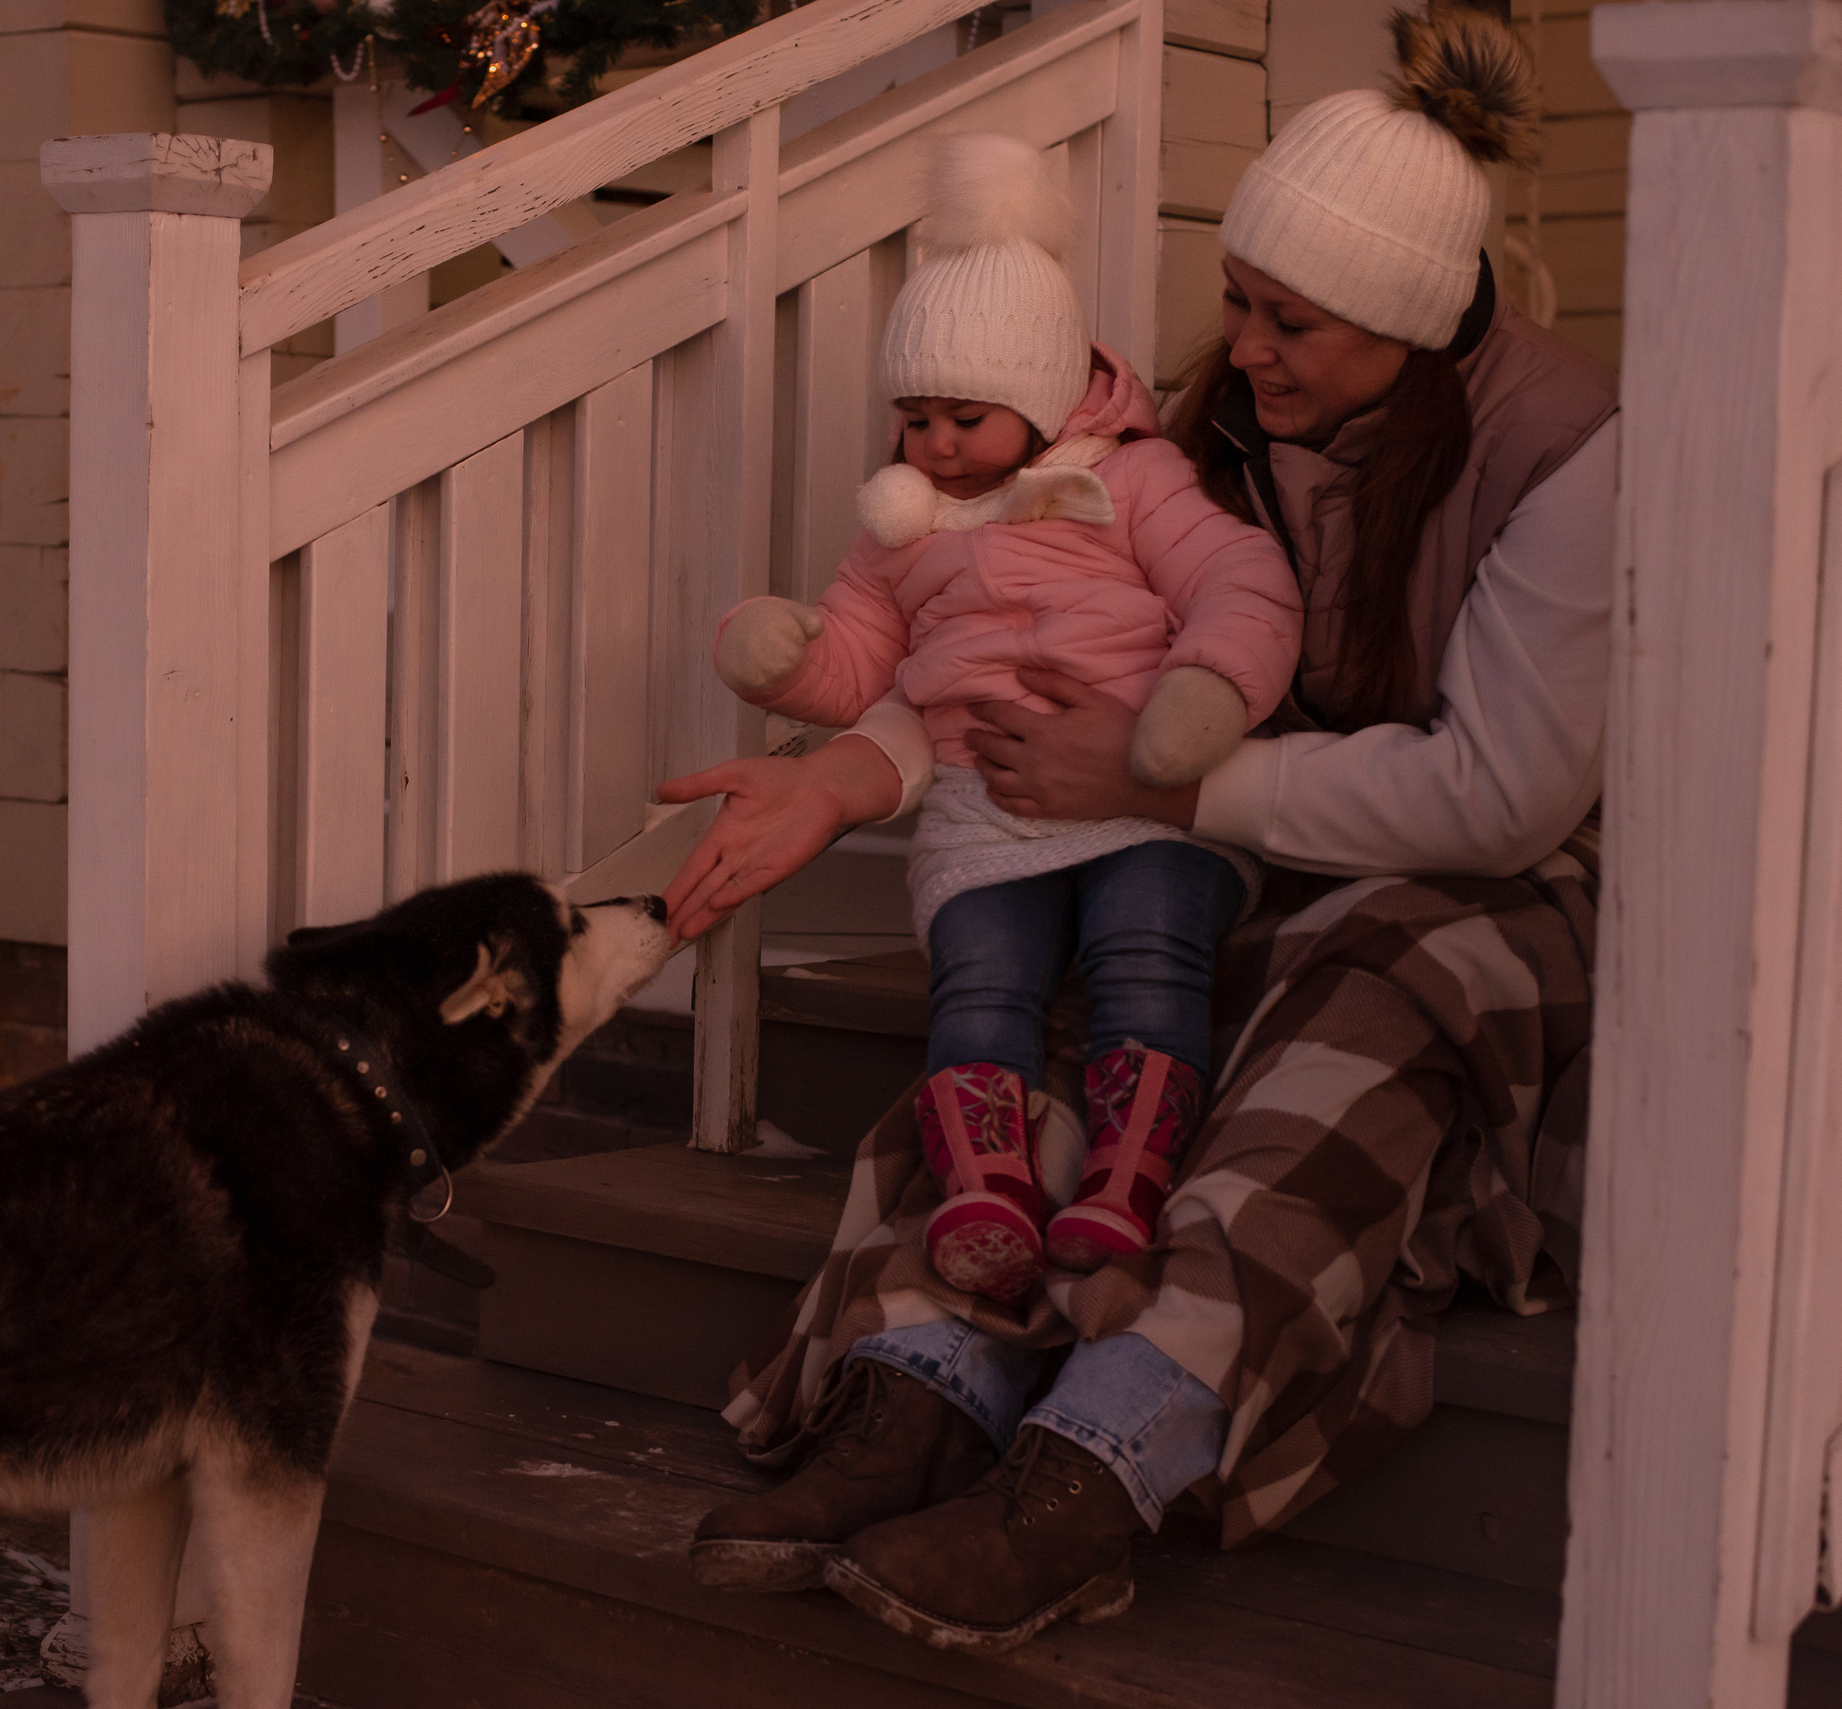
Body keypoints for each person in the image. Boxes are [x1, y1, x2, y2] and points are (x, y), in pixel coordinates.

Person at [676, 5, 1617, 1660]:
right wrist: (839, 772)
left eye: (1287, 318)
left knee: (1350, 1004)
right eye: (1239, 300)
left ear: (1403, 321)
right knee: (1036, 992)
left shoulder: (1564, 452)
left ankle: (1100, 1452)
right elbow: (1053, 656)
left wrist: (1177, 788)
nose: (1238, 342)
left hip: (1468, 876)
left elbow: (1506, 792)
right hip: (1230, 833)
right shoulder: (1216, 435)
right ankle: (923, 1383)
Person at [707, 130, 1299, 1305]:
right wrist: (785, 661)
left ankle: (1128, 1174)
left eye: (964, 416)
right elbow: (860, 660)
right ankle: (988, 1183)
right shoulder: (903, 532)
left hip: (1140, 778)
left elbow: (1240, 581)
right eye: (913, 416)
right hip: (986, 797)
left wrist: (1203, 694)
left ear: (1037, 401)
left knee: (1146, 950)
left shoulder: (1134, 483)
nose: (933, 444)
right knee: (980, 975)